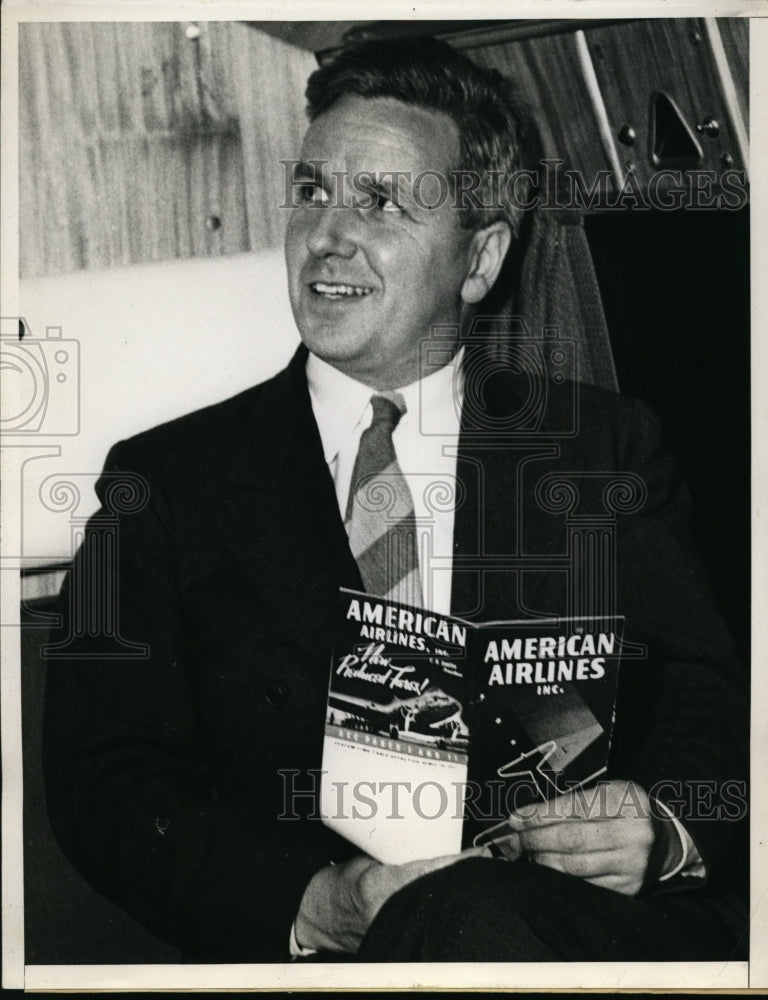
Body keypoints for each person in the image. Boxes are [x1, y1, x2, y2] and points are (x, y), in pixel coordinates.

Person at [43, 38, 748, 964]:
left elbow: (713, 705)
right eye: (311, 192)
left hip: (573, 939)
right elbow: (108, 782)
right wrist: (310, 900)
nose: (327, 236)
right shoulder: (162, 485)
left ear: (482, 257)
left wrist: (660, 827)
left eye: (380, 202)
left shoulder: (605, 449)